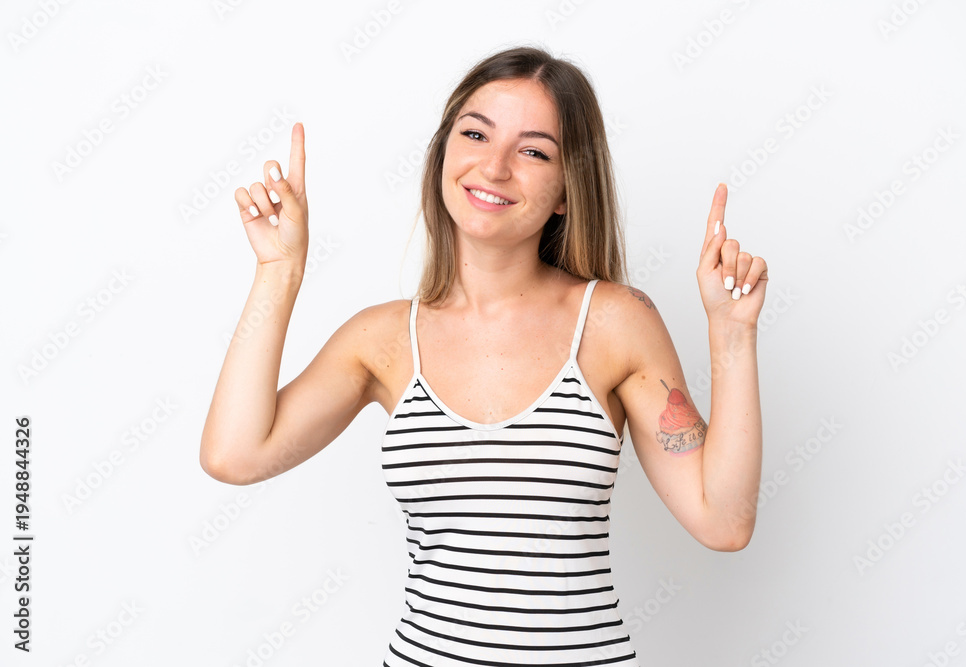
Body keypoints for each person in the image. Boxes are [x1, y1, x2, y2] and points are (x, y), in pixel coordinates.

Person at [200, 45, 766, 666]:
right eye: (475, 134)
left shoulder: (615, 322)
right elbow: (235, 455)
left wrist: (732, 333)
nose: (494, 167)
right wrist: (279, 269)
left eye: (533, 151)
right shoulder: (383, 339)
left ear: (566, 191)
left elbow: (723, 522)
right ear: (444, 153)